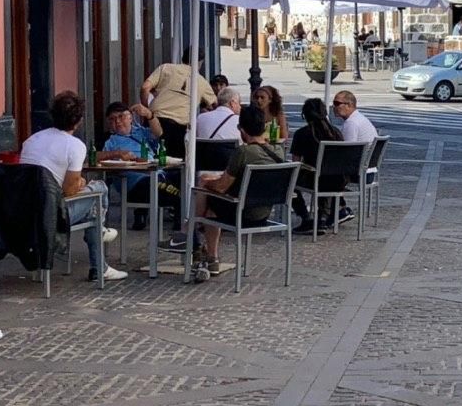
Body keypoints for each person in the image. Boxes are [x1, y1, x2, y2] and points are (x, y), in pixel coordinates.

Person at [19, 91, 126, 282]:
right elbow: (69, 191)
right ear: (78, 121)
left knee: (93, 205)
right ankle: (99, 255)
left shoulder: (31, 140)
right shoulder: (74, 146)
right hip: (53, 214)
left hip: (24, 210)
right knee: (99, 189)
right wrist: (81, 183)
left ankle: (100, 257)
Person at [195, 105, 286, 276]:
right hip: (264, 211)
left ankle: (201, 245)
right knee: (209, 192)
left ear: (241, 130)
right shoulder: (279, 151)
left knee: (208, 198)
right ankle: (194, 236)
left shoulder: (243, 152)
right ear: (264, 127)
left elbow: (222, 187)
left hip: (241, 213)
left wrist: (207, 183)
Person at [103, 102, 181, 230]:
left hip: (157, 173)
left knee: (184, 180)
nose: (117, 121)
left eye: (121, 116)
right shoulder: (111, 142)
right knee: (173, 192)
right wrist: (117, 155)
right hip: (134, 182)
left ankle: (177, 218)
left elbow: (158, 133)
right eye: (112, 119)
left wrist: (149, 115)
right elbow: (101, 159)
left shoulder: (141, 132)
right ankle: (181, 225)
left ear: (130, 118)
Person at [141, 51, 217, 158]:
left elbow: (145, 88)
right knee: (175, 163)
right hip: (179, 127)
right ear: (200, 63)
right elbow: (215, 105)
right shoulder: (201, 82)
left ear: (182, 58)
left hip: (154, 120)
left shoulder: (165, 68)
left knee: (150, 156)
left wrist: (146, 111)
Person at [289, 98, 347, 233]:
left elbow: (296, 162)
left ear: (305, 115)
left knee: (288, 181)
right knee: (325, 176)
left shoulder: (302, 134)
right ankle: (322, 218)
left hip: (315, 178)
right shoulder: (336, 133)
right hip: (338, 180)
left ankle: (305, 217)